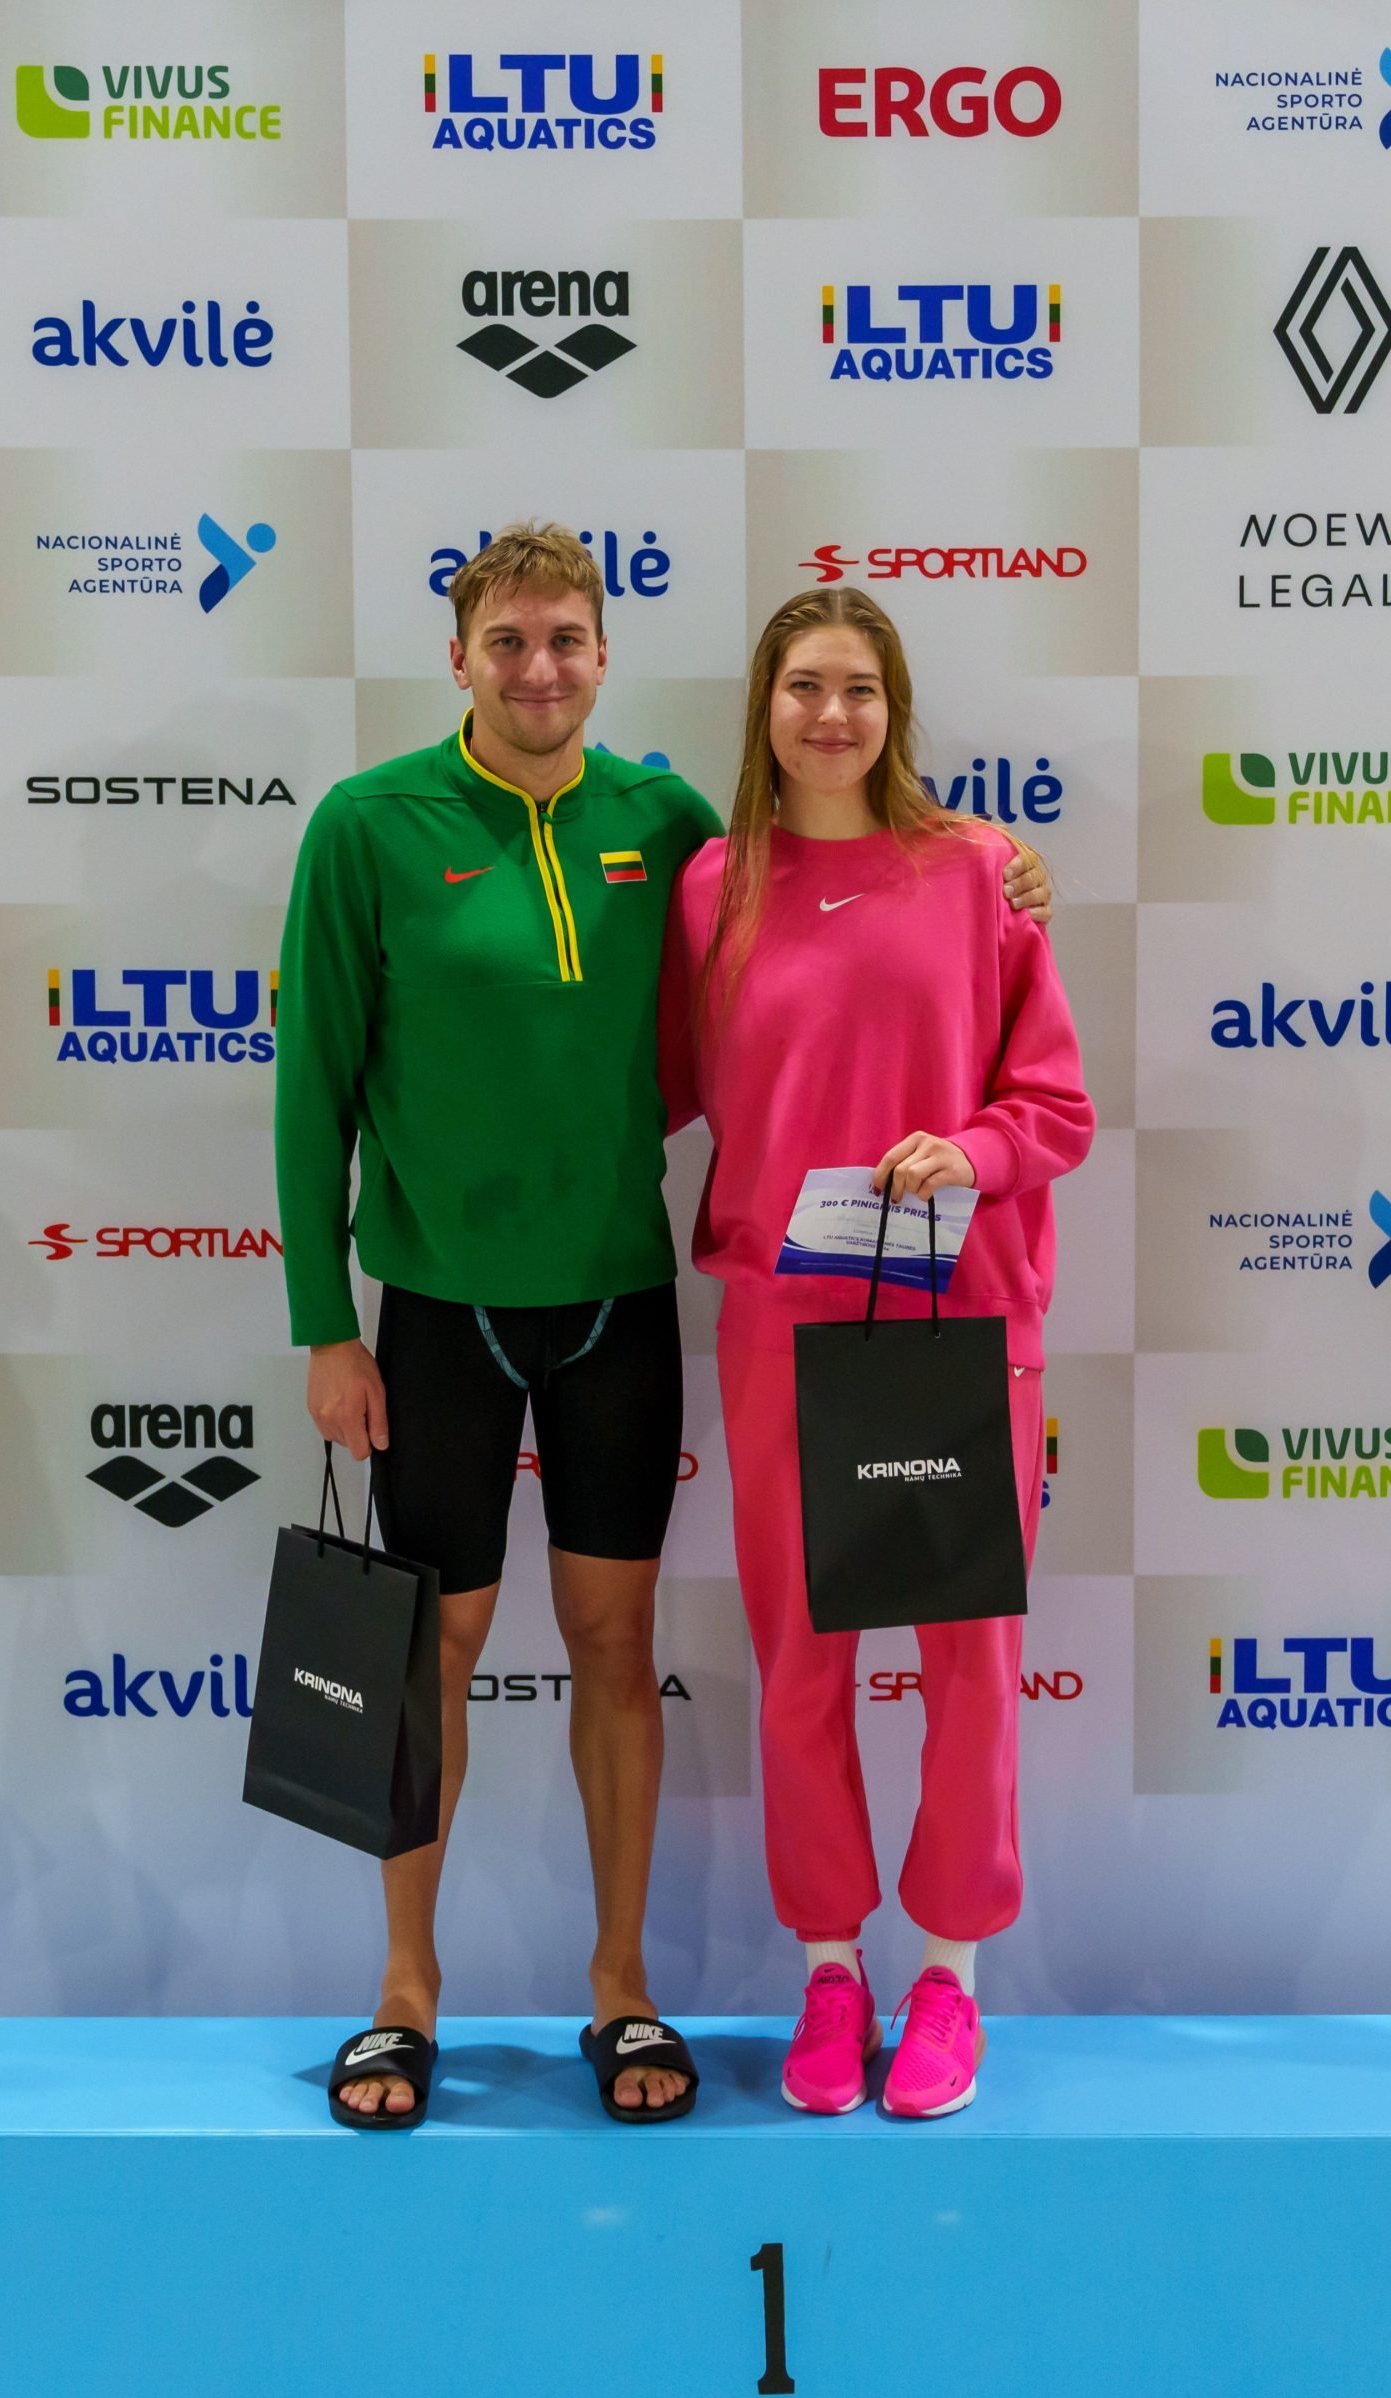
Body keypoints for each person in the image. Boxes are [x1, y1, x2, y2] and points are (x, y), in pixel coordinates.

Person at [274, 523, 1054, 2128]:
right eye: (509, 641)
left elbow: (963, 1055)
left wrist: (1006, 876)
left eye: (566, 639)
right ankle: (408, 1996)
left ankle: (648, 1989)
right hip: (452, 1314)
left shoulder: (685, 831)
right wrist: (322, 1322)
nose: (539, 668)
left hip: (667, 1309)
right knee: (441, 1660)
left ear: (606, 655)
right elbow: (313, 1092)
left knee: (638, 1653)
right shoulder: (388, 826)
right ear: (461, 656)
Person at [658, 585, 1093, 2121]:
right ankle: (832, 1971)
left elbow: (1056, 1109)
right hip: (787, 1325)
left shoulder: (978, 872)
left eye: (858, 687)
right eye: (803, 687)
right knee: (802, 1664)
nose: (831, 714)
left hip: (958, 1317)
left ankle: (950, 1979)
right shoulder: (711, 886)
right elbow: (652, 1088)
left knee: (969, 1667)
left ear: (894, 707)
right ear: (764, 707)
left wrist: (971, 1151)